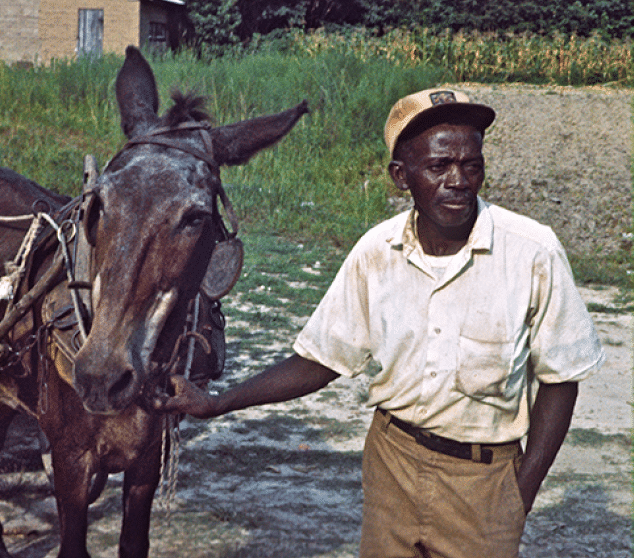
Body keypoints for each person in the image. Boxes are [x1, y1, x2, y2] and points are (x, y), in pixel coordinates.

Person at [153, 88, 605, 558]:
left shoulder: (533, 252)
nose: (458, 180)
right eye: (438, 166)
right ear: (401, 175)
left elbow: (561, 380)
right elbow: (321, 359)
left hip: (485, 483)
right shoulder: (377, 251)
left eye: (472, 165)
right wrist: (218, 403)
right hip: (392, 466)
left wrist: (519, 495)